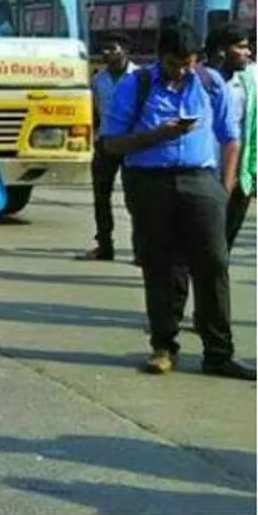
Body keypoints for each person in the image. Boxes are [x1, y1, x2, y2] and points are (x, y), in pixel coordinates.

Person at [100, 25, 253, 380]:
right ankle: (164, 346)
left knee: (213, 263)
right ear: (159, 57)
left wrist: (223, 189)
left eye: (188, 63)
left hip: (201, 181)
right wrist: (159, 135)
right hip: (150, 183)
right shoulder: (135, 87)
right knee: (161, 266)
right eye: (173, 64)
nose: (181, 71)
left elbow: (231, 138)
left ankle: (218, 352)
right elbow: (111, 144)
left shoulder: (210, 82)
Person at [77, 33, 138, 261]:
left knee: (135, 199)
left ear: (125, 51)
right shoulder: (98, 79)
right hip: (106, 143)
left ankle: (139, 247)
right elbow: (93, 111)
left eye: (112, 48)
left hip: (132, 143)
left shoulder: (138, 77)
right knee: (101, 196)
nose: (106, 53)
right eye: (103, 49)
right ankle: (104, 244)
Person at [206, 23, 256, 253]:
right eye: (241, 47)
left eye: (248, 47)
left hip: (238, 174)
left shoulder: (247, 84)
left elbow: (253, 129)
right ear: (221, 51)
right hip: (204, 173)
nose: (248, 53)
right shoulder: (200, 82)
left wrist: (252, 170)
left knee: (225, 244)